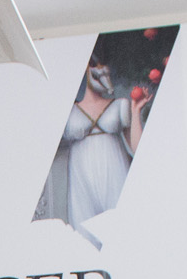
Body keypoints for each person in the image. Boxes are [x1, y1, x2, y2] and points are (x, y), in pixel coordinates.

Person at [33, 56, 152, 241]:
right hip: (80, 179)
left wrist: (136, 111)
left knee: (121, 231)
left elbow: (137, 150)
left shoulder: (120, 105)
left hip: (115, 173)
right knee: (85, 236)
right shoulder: (68, 111)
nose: (103, 72)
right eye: (95, 66)